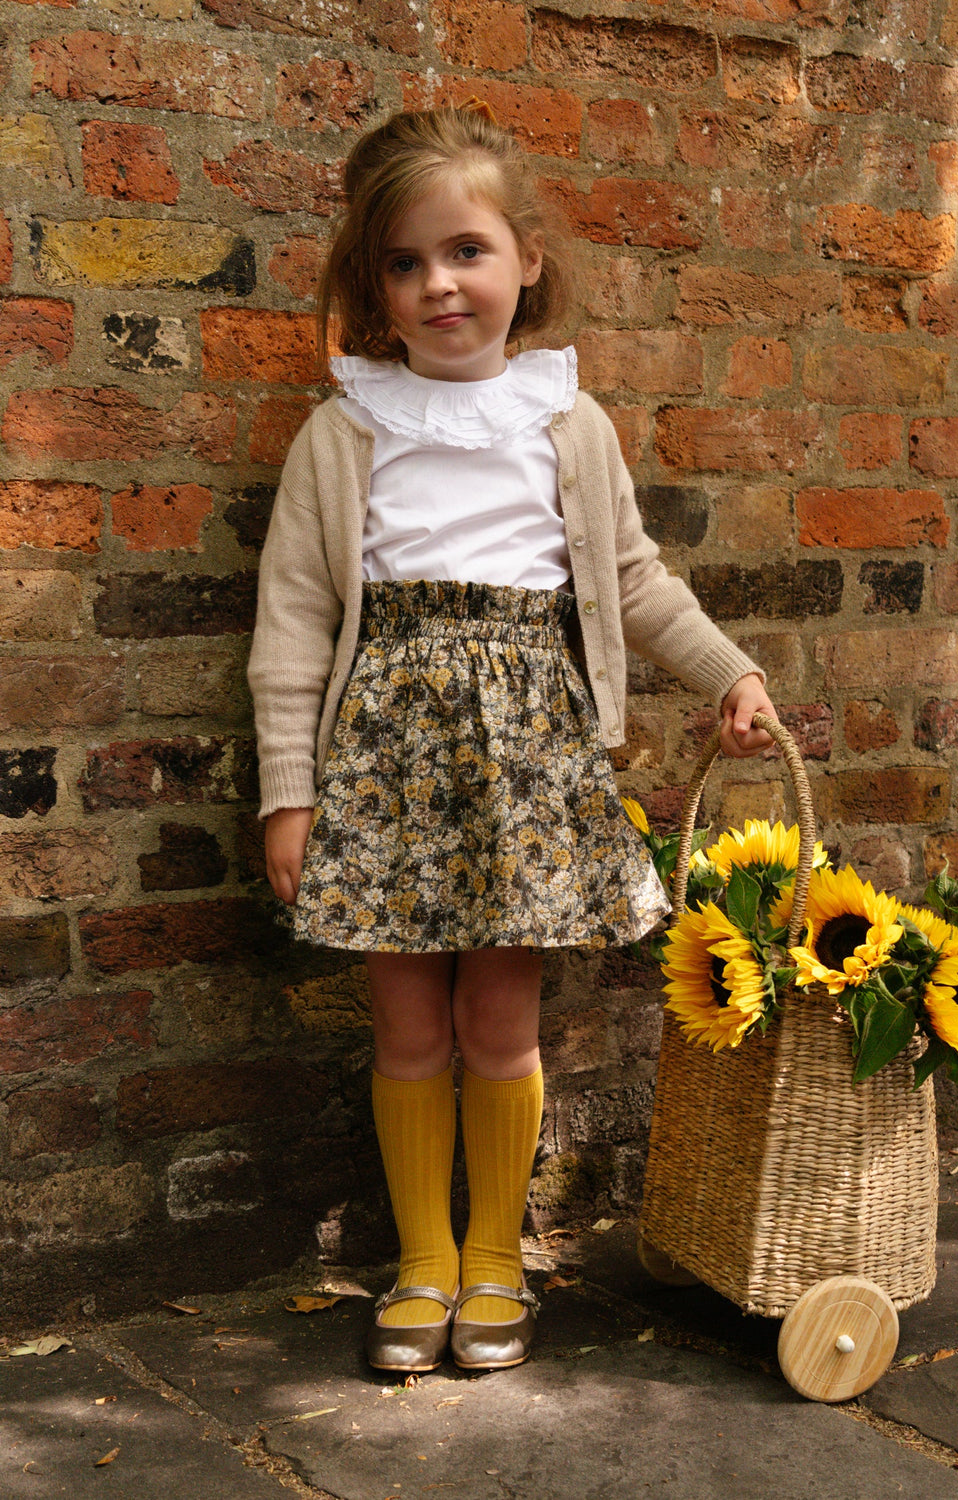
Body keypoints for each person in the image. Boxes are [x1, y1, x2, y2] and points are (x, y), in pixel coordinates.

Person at [248, 105, 778, 1376]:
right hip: (382, 768)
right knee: (407, 1030)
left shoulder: (567, 427)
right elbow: (294, 621)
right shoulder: (345, 434)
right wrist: (287, 793)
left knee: (499, 1020)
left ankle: (496, 1252)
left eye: (467, 251)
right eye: (405, 262)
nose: (440, 283)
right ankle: (421, 1257)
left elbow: (636, 583)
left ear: (526, 260)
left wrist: (731, 671)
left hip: (530, 773)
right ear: (373, 285)